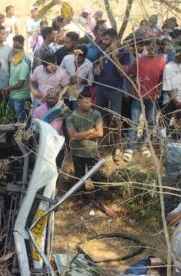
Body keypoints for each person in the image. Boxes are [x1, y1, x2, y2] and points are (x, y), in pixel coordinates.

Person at [66, 88, 115, 216]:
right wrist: (90, 132)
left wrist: (80, 135)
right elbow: (72, 136)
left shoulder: (96, 114)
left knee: (97, 178)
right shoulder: (71, 117)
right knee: (79, 177)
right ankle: (81, 199)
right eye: (86, 102)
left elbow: (100, 132)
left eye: (90, 102)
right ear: (79, 102)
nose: (89, 104)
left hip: (92, 152)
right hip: (77, 152)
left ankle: (100, 201)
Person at [93, 28, 132, 162]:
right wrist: (96, 69)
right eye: (103, 39)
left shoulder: (124, 52)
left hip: (115, 89)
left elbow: (123, 73)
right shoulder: (101, 50)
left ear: (115, 39)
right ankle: (104, 144)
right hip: (100, 88)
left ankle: (117, 147)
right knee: (101, 117)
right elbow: (96, 67)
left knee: (115, 118)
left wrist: (115, 57)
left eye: (107, 40)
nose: (104, 42)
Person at [126, 39, 167, 160]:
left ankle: (144, 144)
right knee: (134, 121)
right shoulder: (139, 60)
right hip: (138, 96)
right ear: (146, 47)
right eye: (149, 45)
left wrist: (159, 90)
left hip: (153, 97)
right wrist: (134, 92)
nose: (152, 48)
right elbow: (132, 77)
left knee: (150, 122)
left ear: (158, 46)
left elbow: (163, 78)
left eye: (155, 45)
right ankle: (130, 146)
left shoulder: (162, 61)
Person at [161, 43, 181, 128]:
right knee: (166, 124)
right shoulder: (168, 67)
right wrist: (176, 102)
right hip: (170, 101)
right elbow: (167, 88)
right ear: (177, 53)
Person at [60, 45, 93, 110]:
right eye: (75, 55)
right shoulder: (66, 59)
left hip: (77, 93)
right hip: (64, 91)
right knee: (63, 112)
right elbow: (59, 71)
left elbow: (90, 82)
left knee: (76, 112)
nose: (76, 58)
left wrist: (81, 80)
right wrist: (66, 80)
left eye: (79, 57)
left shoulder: (89, 65)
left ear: (84, 56)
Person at [7, 36, 31, 122]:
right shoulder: (13, 61)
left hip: (20, 98)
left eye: (19, 54)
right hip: (12, 96)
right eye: (14, 53)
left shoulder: (24, 66)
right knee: (12, 118)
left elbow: (19, 84)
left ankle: (22, 134)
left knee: (21, 120)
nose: (16, 55)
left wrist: (8, 88)